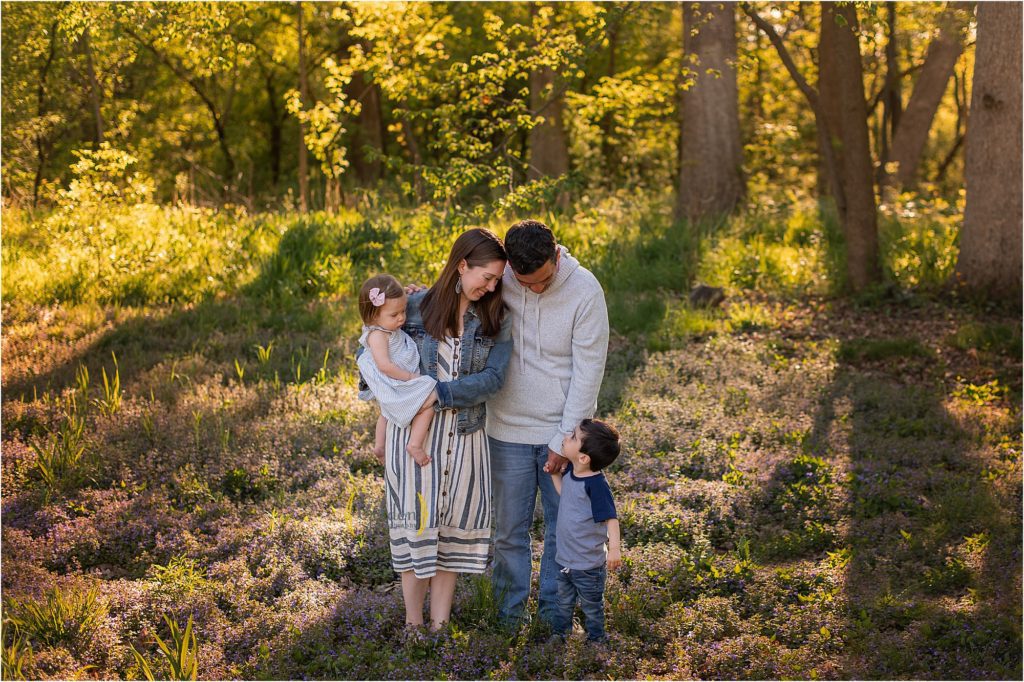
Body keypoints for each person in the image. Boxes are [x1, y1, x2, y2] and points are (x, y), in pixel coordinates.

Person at [382, 228, 512, 631]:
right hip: (415, 442)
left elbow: (493, 379)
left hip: (466, 437)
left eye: (497, 280)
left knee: (450, 536)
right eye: (486, 277)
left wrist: (436, 393)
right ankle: (412, 626)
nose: (491, 287)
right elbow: (370, 347)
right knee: (417, 532)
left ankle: (440, 628)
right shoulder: (414, 308)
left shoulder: (495, 315)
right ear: (461, 265)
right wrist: (394, 394)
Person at [487, 219, 610, 628]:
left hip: (562, 436)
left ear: (557, 256)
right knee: (507, 535)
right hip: (505, 429)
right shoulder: (500, 277)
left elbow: (588, 371)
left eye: (542, 280)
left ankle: (553, 627)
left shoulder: (585, 290)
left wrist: (563, 440)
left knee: (564, 536)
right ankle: (507, 623)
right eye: (525, 283)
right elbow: (455, 295)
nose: (534, 289)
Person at [550, 419, 622, 643]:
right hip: (566, 559)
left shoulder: (597, 485)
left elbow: (611, 519)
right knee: (563, 601)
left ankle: (596, 639)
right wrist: (554, 475)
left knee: (591, 605)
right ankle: (560, 634)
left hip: (589, 564)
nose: (565, 438)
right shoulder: (571, 472)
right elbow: (567, 496)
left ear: (583, 458)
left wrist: (614, 549)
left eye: (572, 437)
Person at [356, 274, 438, 466]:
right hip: (395, 378)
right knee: (428, 400)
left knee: (386, 412)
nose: (401, 318)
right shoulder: (377, 335)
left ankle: (380, 446)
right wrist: (410, 377)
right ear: (373, 316)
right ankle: (415, 444)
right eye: (394, 315)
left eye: (403, 311)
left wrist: (418, 294)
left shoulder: (387, 328)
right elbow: (384, 365)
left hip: (396, 378)